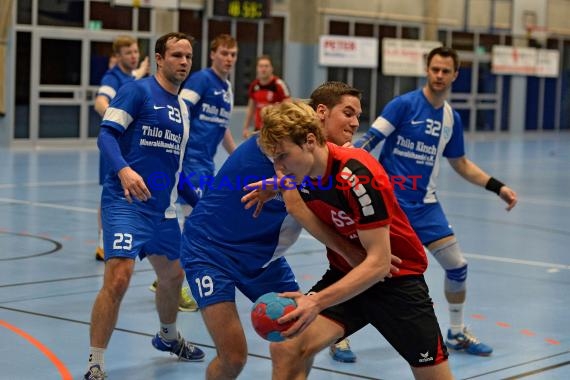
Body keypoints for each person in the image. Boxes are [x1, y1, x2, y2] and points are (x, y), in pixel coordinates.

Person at [180, 83, 399, 379]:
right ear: (320, 114)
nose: (355, 124)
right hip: (211, 250)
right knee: (233, 357)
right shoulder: (282, 143)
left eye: (358, 116)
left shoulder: (326, 156)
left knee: (297, 340)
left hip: (265, 259)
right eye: (347, 114)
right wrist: (354, 256)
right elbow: (298, 208)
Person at [256, 100, 453, 380]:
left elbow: (379, 263)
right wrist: (274, 186)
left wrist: (316, 301)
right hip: (346, 273)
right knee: (287, 346)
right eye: (273, 160)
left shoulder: (358, 175)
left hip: (396, 281)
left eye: (282, 157)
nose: (278, 167)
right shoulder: (297, 172)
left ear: (310, 141)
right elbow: (300, 202)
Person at [354, 46, 518, 356]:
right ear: (426, 70)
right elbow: (369, 142)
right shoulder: (403, 106)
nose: (439, 75)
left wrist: (498, 187)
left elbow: (461, 164)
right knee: (367, 271)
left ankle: (456, 332)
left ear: (455, 75)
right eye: (435, 69)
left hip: (426, 206)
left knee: (457, 267)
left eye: (446, 71)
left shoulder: (450, 119)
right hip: (391, 207)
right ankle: (340, 335)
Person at [84, 32, 204, 380]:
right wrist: (123, 169)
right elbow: (106, 135)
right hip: (125, 204)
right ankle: (96, 363)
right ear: (159, 59)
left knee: (174, 276)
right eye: (177, 55)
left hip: (164, 212)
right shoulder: (137, 91)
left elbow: (177, 172)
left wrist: (203, 206)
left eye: (188, 56)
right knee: (119, 278)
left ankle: (167, 336)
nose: (183, 62)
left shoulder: (183, 109)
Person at [148, 34, 240, 310]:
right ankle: (176, 281)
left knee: (194, 221)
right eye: (224, 53)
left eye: (233, 54)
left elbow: (221, 126)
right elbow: (179, 108)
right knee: (204, 220)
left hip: (206, 165)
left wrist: (237, 157)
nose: (229, 59)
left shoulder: (227, 88)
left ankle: (169, 276)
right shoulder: (201, 80)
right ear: (213, 54)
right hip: (188, 162)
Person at [93, 35, 149, 262]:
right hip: (114, 145)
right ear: (117, 57)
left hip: (131, 149)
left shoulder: (131, 77)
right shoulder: (112, 77)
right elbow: (100, 101)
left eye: (136, 51)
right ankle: (102, 244)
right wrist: (120, 119)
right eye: (129, 53)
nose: (134, 56)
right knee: (110, 191)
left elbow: (136, 74)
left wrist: (144, 68)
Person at [242, 55, 291, 139]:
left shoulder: (279, 85)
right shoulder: (254, 85)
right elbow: (251, 108)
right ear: (257, 68)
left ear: (272, 68)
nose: (263, 69)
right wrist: (245, 128)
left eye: (266, 66)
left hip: (275, 130)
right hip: (258, 129)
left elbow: (289, 107)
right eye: (261, 66)